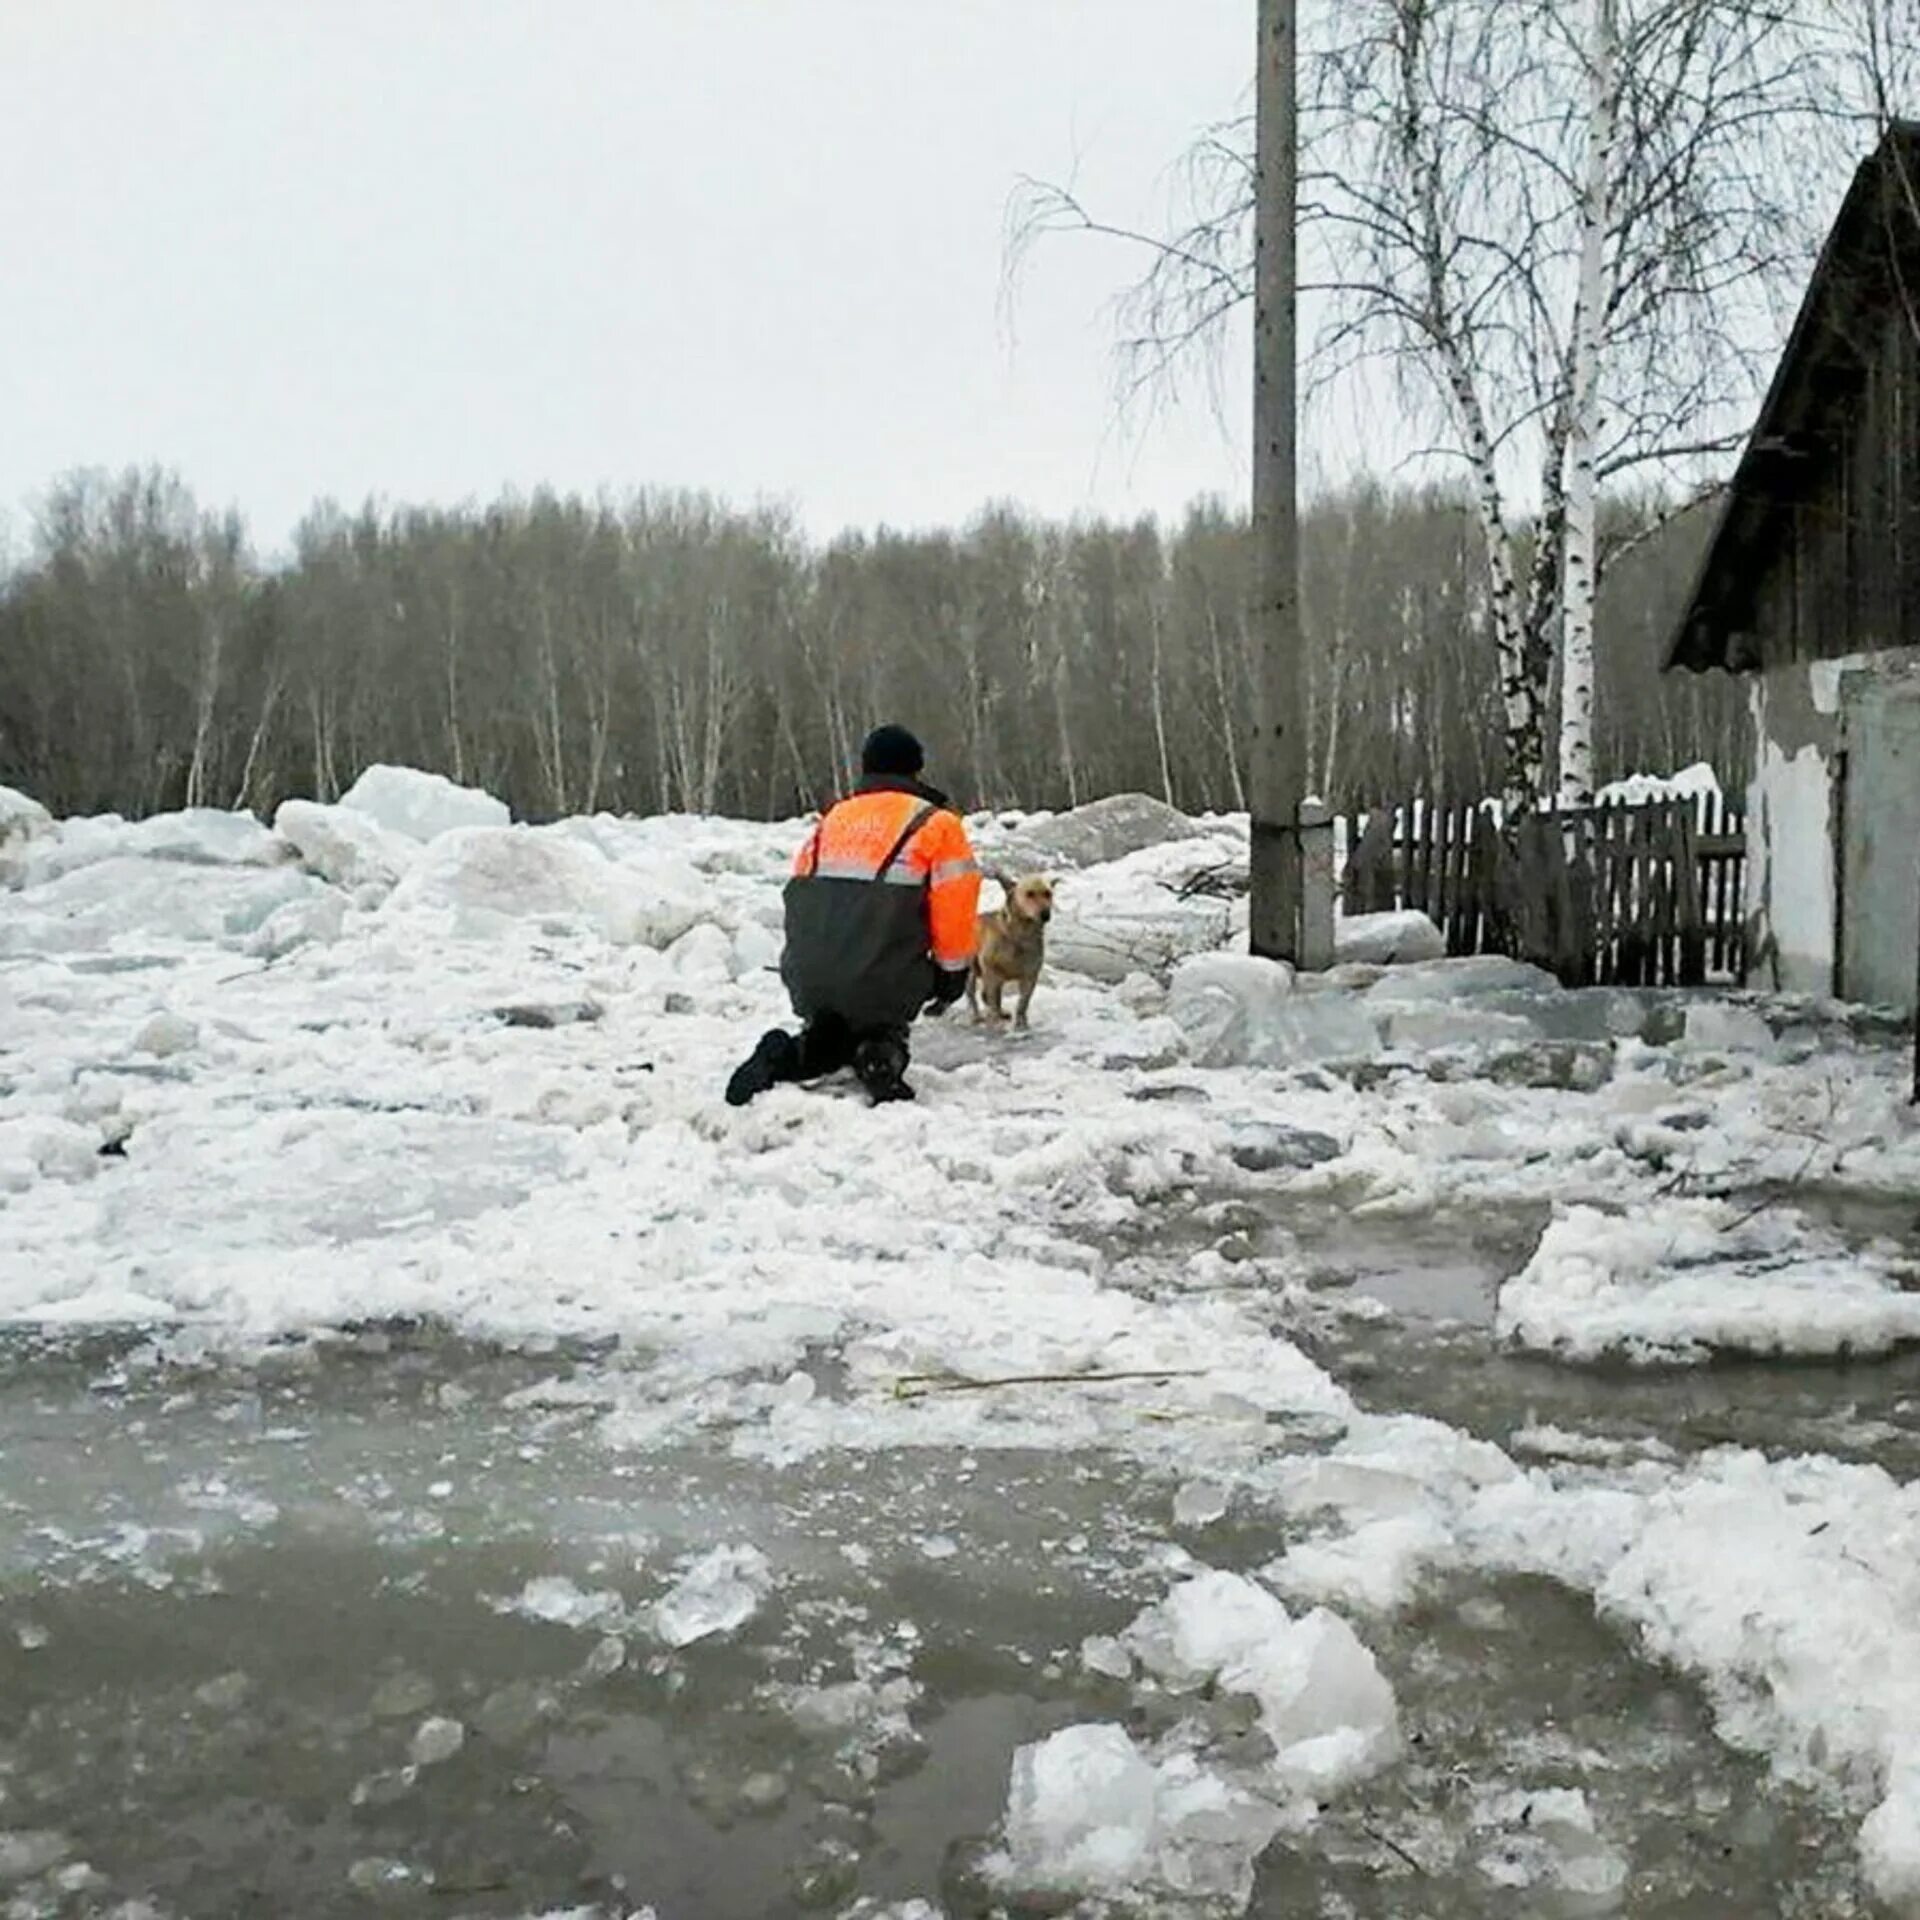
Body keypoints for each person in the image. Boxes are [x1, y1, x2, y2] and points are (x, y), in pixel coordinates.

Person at [726, 725, 980, 1106]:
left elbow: (804, 902)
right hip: (882, 978)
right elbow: (955, 912)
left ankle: (786, 1054)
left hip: (809, 979)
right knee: (881, 1020)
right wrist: (950, 980)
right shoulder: (937, 824)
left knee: (829, 1036)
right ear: (916, 769)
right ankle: (881, 1053)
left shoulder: (833, 819)